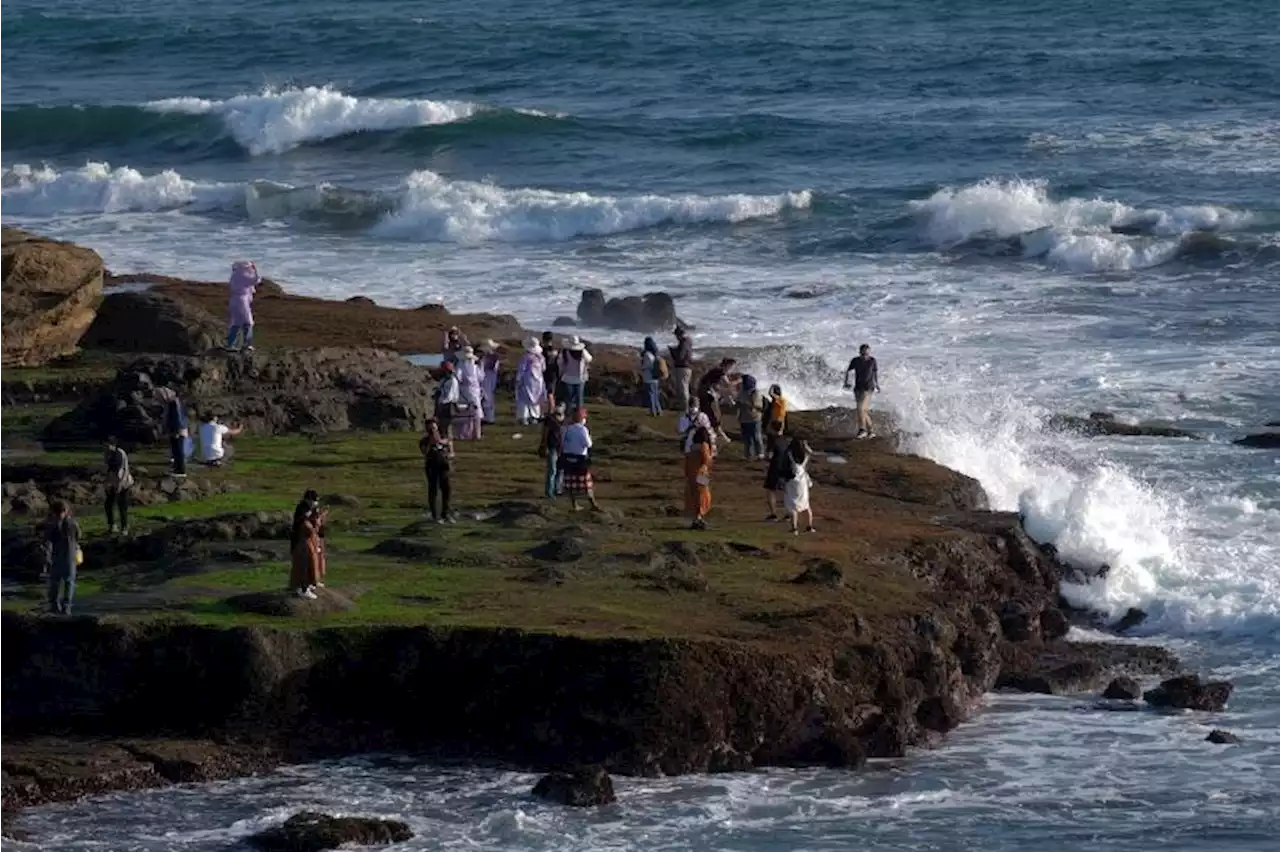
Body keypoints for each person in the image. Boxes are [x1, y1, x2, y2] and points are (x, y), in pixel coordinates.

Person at [44, 499, 80, 615]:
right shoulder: (73, 523)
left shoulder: (54, 525)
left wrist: (47, 557)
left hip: (58, 556)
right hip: (70, 556)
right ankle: (66, 607)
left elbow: (48, 540)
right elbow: (79, 535)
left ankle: (55, 605)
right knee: (69, 582)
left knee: (55, 581)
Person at [289, 490, 327, 599]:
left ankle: (310, 583)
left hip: (309, 539)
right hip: (300, 540)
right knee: (303, 564)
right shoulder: (302, 508)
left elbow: (316, 525)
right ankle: (302, 588)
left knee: (312, 562)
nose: (315, 503)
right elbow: (303, 523)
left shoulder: (312, 509)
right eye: (314, 501)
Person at [560, 407, 599, 511]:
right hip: (580, 459)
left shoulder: (566, 428)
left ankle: (574, 504)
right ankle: (593, 504)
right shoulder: (582, 429)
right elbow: (588, 444)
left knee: (571, 483)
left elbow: (562, 442)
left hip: (568, 458)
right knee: (586, 484)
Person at [419, 419, 455, 522]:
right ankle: (434, 514)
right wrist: (431, 443)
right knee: (433, 489)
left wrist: (447, 452)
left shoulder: (445, 439)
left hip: (444, 465)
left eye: (434, 428)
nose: (432, 431)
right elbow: (424, 453)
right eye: (430, 429)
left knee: (446, 489)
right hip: (431, 466)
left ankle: (446, 512)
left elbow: (452, 453)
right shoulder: (424, 441)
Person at [843, 343, 881, 439]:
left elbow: (875, 373)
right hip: (858, 388)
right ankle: (871, 431)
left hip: (868, 388)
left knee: (860, 408)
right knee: (863, 410)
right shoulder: (855, 360)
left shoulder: (872, 361)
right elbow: (848, 371)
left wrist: (877, 384)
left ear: (869, 353)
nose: (865, 356)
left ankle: (862, 430)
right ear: (860, 353)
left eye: (867, 354)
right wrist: (846, 382)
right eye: (863, 354)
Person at [697, 358, 738, 444]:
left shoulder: (716, 371)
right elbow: (728, 384)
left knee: (709, 414)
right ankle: (722, 437)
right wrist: (739, 381)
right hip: (707, 395)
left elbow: (719, 388)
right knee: (713, 415)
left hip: (703, 393)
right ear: (727, 365)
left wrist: (730, 399)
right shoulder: (720, 372)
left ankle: (713, 435)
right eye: (732, 367)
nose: (732, 369)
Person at [782, 435, 816, 535]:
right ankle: (809, 527)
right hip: (803, 481)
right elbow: (811, 452)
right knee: (806, 504)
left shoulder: (789, 454)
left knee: (792, 505)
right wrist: (806, 445)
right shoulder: (805, 455)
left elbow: (784, 467)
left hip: (792, 481)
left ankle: (794, 529)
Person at [225, 260, 260, 352]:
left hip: (234, 300)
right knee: (248, 323)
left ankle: (230, 344)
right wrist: (256, 269)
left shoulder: (234, 276)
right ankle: (247, 344)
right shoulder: (243, 276)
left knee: (235, 323)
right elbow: (256, 280)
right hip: (242, 301)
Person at [103, 436, 134, 536]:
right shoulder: (107, 454)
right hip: (112, 482)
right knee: (108, 504)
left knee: (122, 505)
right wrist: (107, 483)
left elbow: (125, 470)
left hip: (124, 482)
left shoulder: (121, 453)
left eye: (107, 445)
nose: (106, 447)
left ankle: (124, 527)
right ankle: (112, 525)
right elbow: (108, 469)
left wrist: (120, 484)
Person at [684, 426, 714, 530]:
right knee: (703, 495)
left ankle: (695, 519)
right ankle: (699, 517)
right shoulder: (704, 446)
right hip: (701, 474)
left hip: (691, 475)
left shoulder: (691, 448)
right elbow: (707, 461)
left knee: (694, 496)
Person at [454, 346, 484, 440]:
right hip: (475, 391)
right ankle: (476, 434)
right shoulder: (475, 367)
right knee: (476, 412)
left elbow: (458, 377)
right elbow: (481, 377)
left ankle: (466, 433)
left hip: (464, 390)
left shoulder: (460, 366)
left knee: (466, 413)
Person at [763, 421, 790, 521]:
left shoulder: (772, 440)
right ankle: (788, 513)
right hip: (785, 467)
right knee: (785, 491)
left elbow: (769, 455)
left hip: (774, 467)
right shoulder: (786, 440)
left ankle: (773, 514)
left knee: (771, 490)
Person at [558, 336, 593, 412]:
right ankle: (579, 415)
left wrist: (560, 373)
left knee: (569, 398)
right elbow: (589, 359)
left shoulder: (564, 352)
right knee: (579, 398)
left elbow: (560, 363)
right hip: (580, 378)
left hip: (568, 378)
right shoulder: (582, 351)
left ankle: (569, 414)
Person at [516, 338, 546, 425]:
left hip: (527, 379)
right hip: (538, 380)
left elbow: (521, 369)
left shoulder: (525, 357)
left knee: (524, 399)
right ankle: (534, 416)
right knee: (536, 398)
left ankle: (524, 417)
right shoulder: (540, 357)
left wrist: (518, 379)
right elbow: (543, 368)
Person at [538, 404, 565, 499]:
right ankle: (549, 491)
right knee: (552, 470)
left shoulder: (564, 420)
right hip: (552, 447)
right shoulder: (550, 420)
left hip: (561, 448)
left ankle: (558, 489)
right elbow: (545, 433)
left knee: (560, 470)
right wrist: (544, 445)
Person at [161, 387, 189, 477]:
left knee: (178, 449)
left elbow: (177, 417)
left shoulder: (174, 403)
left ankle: (181, 471)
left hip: (177, 429)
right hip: (176, 428)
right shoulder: (176, 402)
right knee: (175, 449)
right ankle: (177, 468)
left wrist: (177, 429)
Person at [736, 374, 765, 460]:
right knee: (746, 438)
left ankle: (760, 453)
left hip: (754, 418)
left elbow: (756, 405)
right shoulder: (742, 392)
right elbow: (738, 402)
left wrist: (744, 404)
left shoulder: (755, 392)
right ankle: (748, 454)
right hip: (744, 418)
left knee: (756, 436)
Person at [668, 327, 694, 410]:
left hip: (682, 368)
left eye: (676, 335)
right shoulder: (688, 342)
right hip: (687, 367)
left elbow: (680, 356)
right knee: (684, 388)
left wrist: (673, 351)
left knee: (683, 389)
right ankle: (685, 407)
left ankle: (685, 408)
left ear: (679, 335)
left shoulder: (683, 343)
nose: (676, 337)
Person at [433, 362, 461, 437]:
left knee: (446, 426)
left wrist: (439, 396)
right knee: (440, 426)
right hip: (441, 404)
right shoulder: (443, 380)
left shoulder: (452, 381)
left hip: (446, 405)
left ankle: (448, 442)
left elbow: (449, 396)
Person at [640, 336, 664, 417]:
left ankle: (652, 411)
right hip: (655, 378)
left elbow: (646, 365)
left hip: (648, 378)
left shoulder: (647, 354)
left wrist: (642, 367)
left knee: (650, 395)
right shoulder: (655, 354)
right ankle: (659, 411)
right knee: (655, 396)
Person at [479, 340, 501, 425]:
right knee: (488, 395)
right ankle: (488, 417)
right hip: (490, 376)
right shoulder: (495, 357)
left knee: (486, 396)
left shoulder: (487, 357)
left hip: (487, 376)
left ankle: (488, 417)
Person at [541, 331, 560, 411]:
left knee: (548, 393)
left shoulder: (543, 350)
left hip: (546, 373)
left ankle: (550, 410)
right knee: (551, 392)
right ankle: (551, 409)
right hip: (554, 373)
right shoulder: (556, 350)